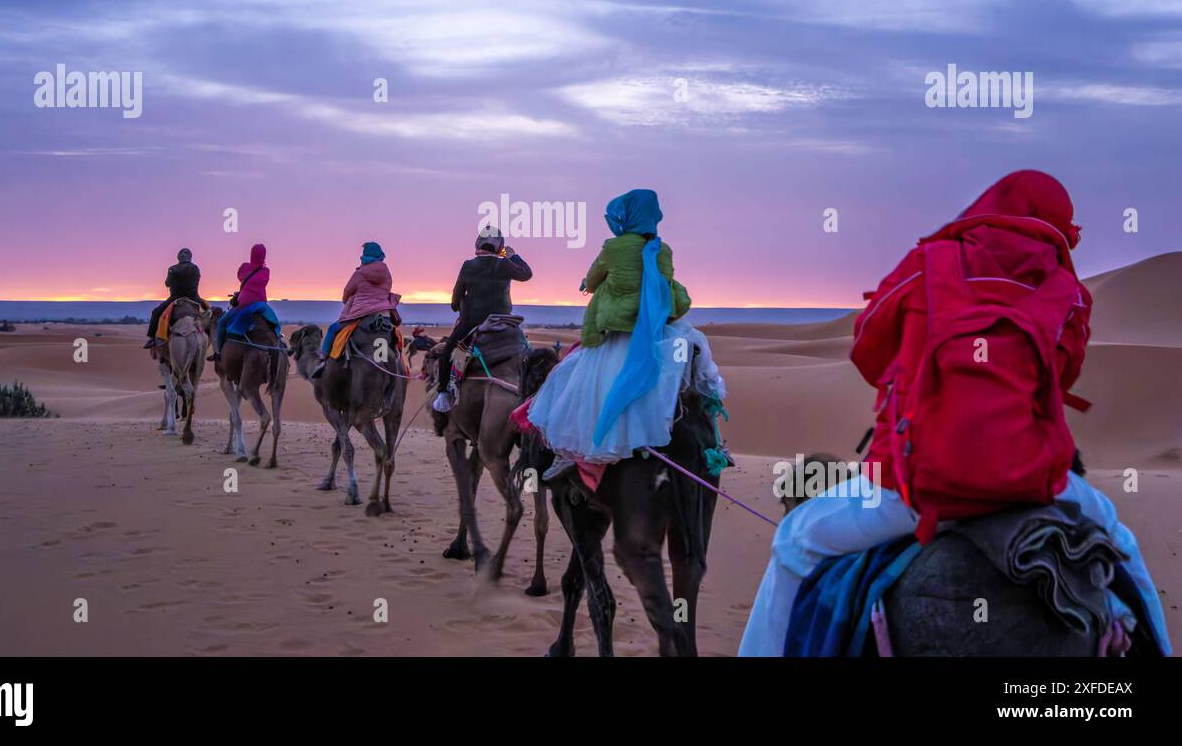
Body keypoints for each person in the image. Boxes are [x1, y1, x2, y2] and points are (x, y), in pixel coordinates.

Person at [738, 171, 1172, 656]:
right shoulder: (1068, 292)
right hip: (1031, 483)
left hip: (914, 489)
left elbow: (867, 350)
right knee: (1122, 547)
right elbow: (1063, 377)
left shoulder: (927, 264)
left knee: (794, 544)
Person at [528, 189, 699, 480]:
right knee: (697, 374)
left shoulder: (613, 247)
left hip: (617, 335)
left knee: (568, 381)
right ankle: (715, 444)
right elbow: (664, 285)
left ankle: (569, 452)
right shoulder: (662, 250)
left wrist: (590, 282)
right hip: (654, 331)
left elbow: (593, 280)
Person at [432, 227, 533, 412]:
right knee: (527, 349)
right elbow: (527, 274)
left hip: (473, 321)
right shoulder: (505, 264)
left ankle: (444, 394)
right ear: (499, 246)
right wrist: (513, 256)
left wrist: (457, 305)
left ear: (478, 244)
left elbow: (456, 296)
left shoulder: (469, 265)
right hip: (504, 320)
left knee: (447, 353)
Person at [311, 242, 400, 375]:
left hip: (361, 314)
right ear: (381, 255)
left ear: (364, 256)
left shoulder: (359, 273)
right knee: (396, 336)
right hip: (384, 315)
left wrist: (349, 299)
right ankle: (398, 359)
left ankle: (322, 360)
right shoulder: (387, 273)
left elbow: (346, 293)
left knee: (332, 329)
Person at [210, 243, 270, 359]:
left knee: (222, 323)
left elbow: (240, 277)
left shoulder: (244, 268)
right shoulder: (266, 271)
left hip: (244, 305)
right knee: (275, 325)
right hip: (261, 306)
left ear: (251, 254)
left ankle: (219, 354)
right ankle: (281, 345)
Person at [144, 248, 209, 349]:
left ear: (178, 257)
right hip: (194, 298)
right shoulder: (195, 268)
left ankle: (151, 338)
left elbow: (167, 283)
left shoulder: (172, 269)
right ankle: (211, 339)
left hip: (175, 298)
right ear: (190, 257)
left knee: (156, 313)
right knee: (209, 312)